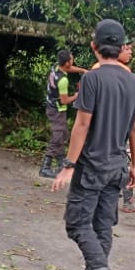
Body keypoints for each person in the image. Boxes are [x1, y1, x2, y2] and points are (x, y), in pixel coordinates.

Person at [52, 19, 135, 270]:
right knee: (102, 226)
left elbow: (82, 123)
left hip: (92, 164)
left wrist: (69, 164)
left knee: (77, 223)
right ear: (121, 48)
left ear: (94, 46)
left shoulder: (92, 79)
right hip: (118, 164)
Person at [91, 42, 135, 213]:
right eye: (127, 49)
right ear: (117, 50)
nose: (130, 52)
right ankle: (126, 199)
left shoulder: (98, 68)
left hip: (110, 126)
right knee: (123, 160)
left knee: (120, 159)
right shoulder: (119, 73)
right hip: (114, 126)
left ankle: (123, 196)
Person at [39, 50, 87, 178]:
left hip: (51, 105)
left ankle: (61, 163)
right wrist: (77, 96)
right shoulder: (63, 80)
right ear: (66, 63)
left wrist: (82, 70)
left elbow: (69, 68)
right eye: (71, 60)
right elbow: (65, 100)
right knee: (58, 137)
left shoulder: (56, 67)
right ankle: (45, 167)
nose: (72, 62)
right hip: (57, 109)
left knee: (63, 133)